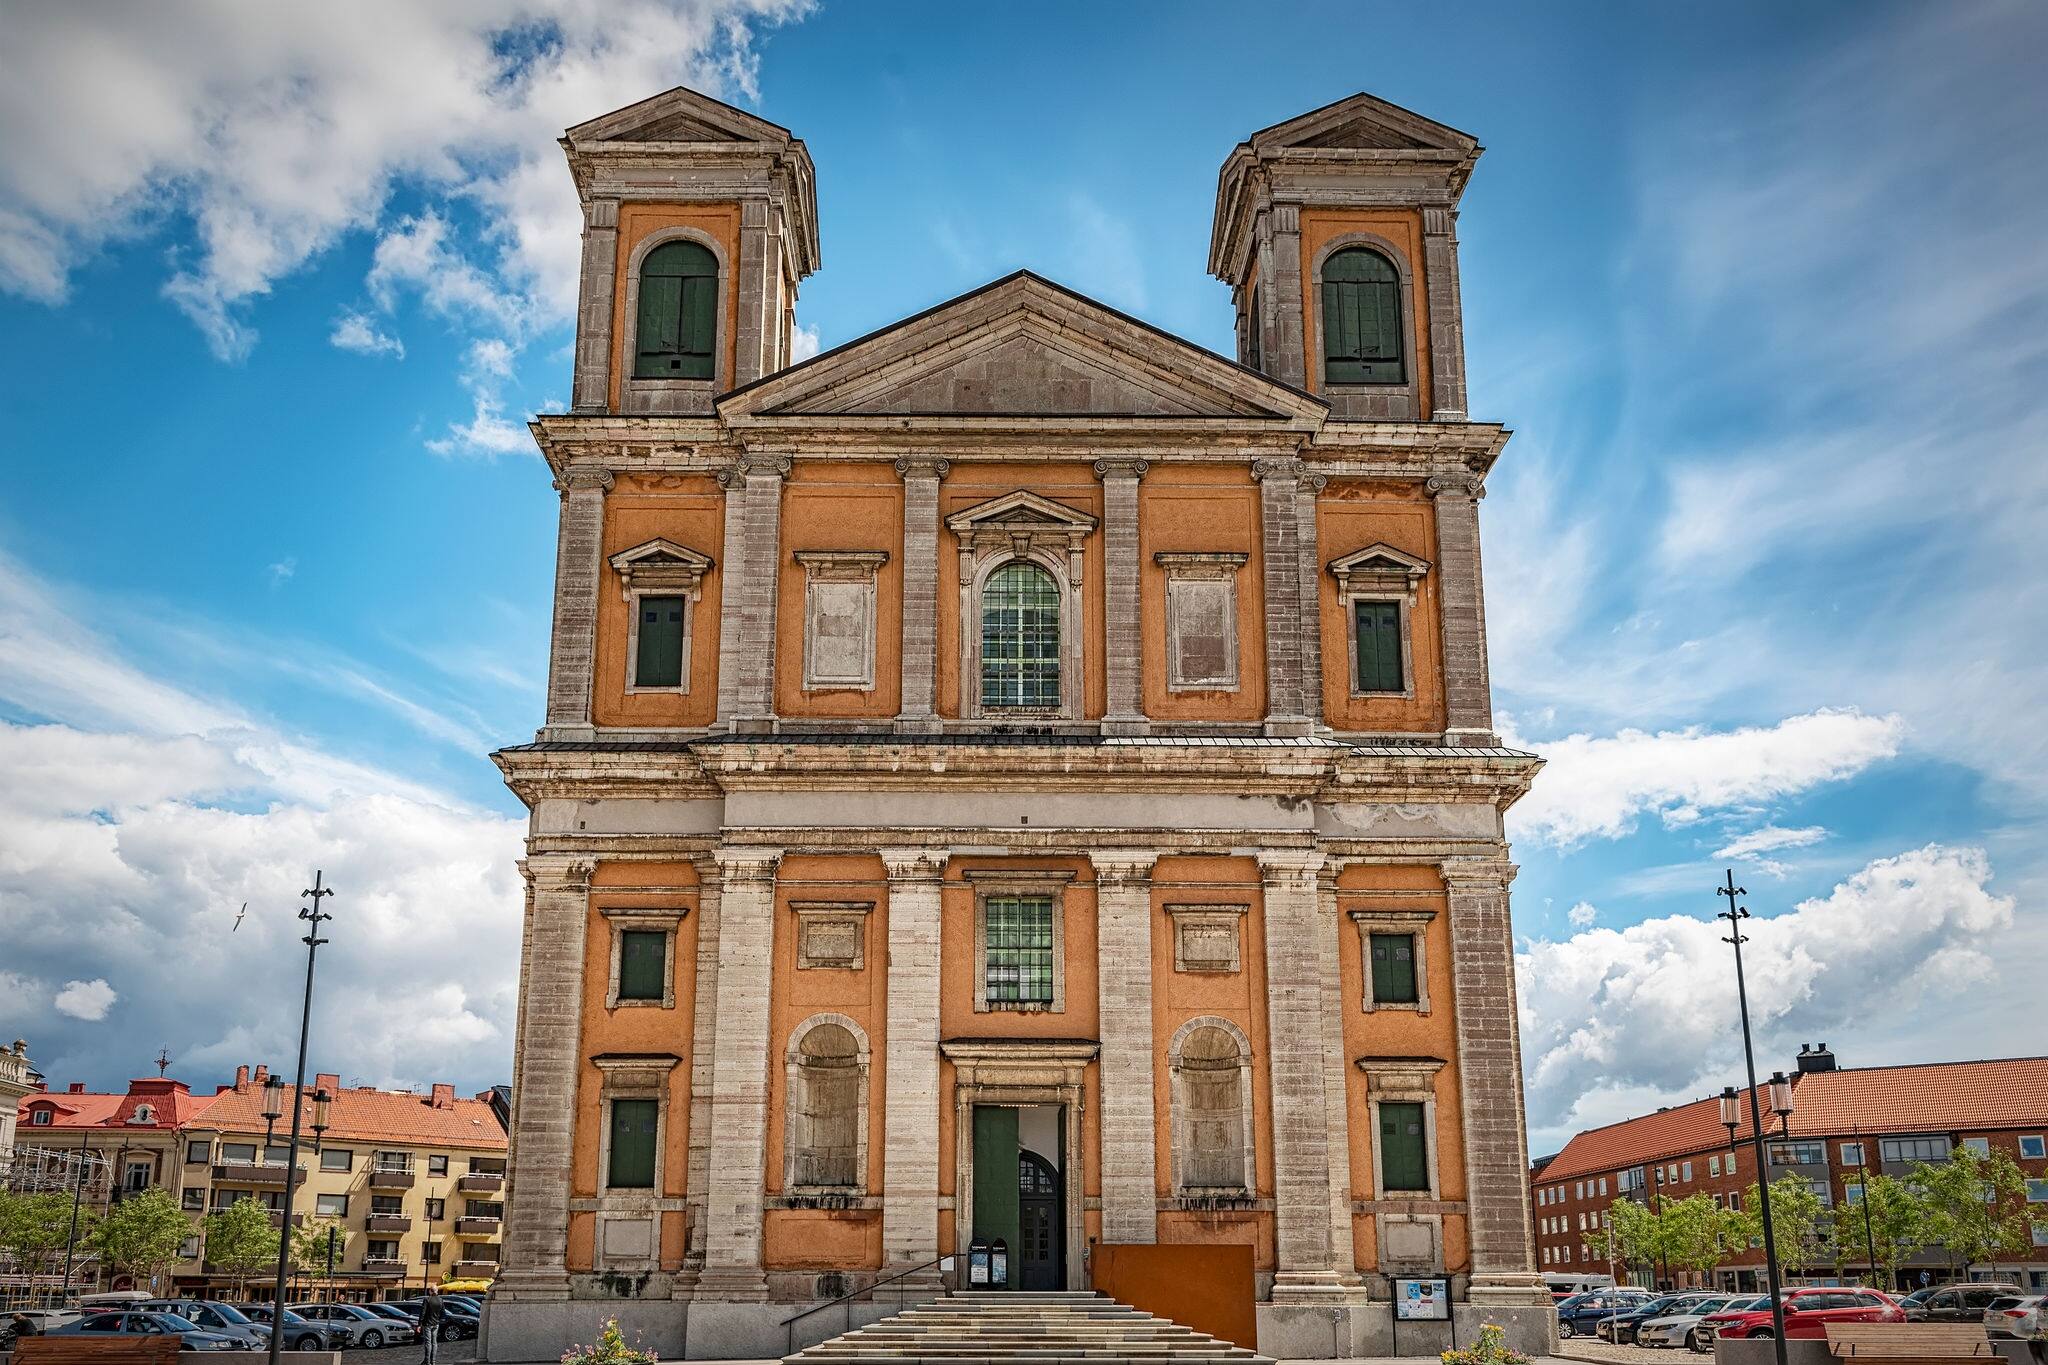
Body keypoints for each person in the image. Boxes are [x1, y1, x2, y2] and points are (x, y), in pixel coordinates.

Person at [417, 1289, 444, 1365]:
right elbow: (443, 1312)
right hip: (436, 1324)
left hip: (427, 1324)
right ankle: (433, 1361)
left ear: (430, 1291)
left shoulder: (427, 1299)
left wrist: (419, 1324)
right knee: (434, 1343)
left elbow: (423, 1312)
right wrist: (438, 1320)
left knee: (428, 1343)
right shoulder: (440, 1300)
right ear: (437, 1291)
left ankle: (427, 1361)